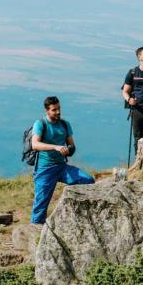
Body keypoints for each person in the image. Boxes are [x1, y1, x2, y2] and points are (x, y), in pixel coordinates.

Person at [30, 96, 95, 224]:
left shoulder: (65, 124)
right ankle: (35, 232)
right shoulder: (40, 124)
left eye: (59, 109)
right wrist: (56, 147)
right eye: (54, 110)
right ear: (47, 111)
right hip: (45, 168)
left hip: (62, 166)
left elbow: (72, 146)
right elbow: (35, 144)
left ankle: (76, 215)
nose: (58, 112)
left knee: (87, 180)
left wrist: (68, 149)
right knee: (41, 204)